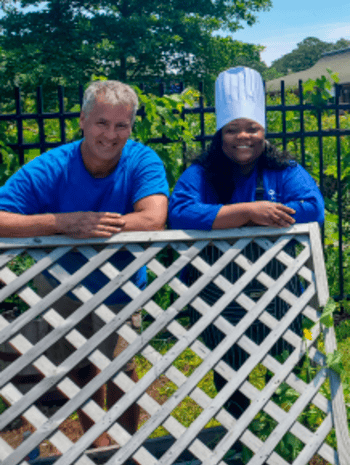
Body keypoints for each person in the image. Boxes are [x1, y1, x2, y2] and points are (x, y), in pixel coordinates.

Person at [0, 80, 169, 447]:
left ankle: (126, 445)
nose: (110, 134)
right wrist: (61, 222)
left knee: (121, 369)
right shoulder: (51, 166)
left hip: (121, 285)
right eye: (101, 123)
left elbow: (154, 218)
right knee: (76, 369)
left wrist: (92, 225)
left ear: (131, 127)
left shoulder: (142, 159)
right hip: (61, 283)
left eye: (121, 125)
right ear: (82, 120)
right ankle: (96, 441)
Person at [168, 67, 324, 420]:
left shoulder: (284, 170)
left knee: (285, 367)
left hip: (280, 290)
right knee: (228, 371)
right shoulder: (201, 173)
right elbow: (179, 213)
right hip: (219, 293)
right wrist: (250, 212)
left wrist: (226, 216)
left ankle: (282, 428)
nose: (244, 136)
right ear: (220, 134)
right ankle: (236, 437)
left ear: (263, 132)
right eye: (233, 129)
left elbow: (313, 208)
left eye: (252, 128)